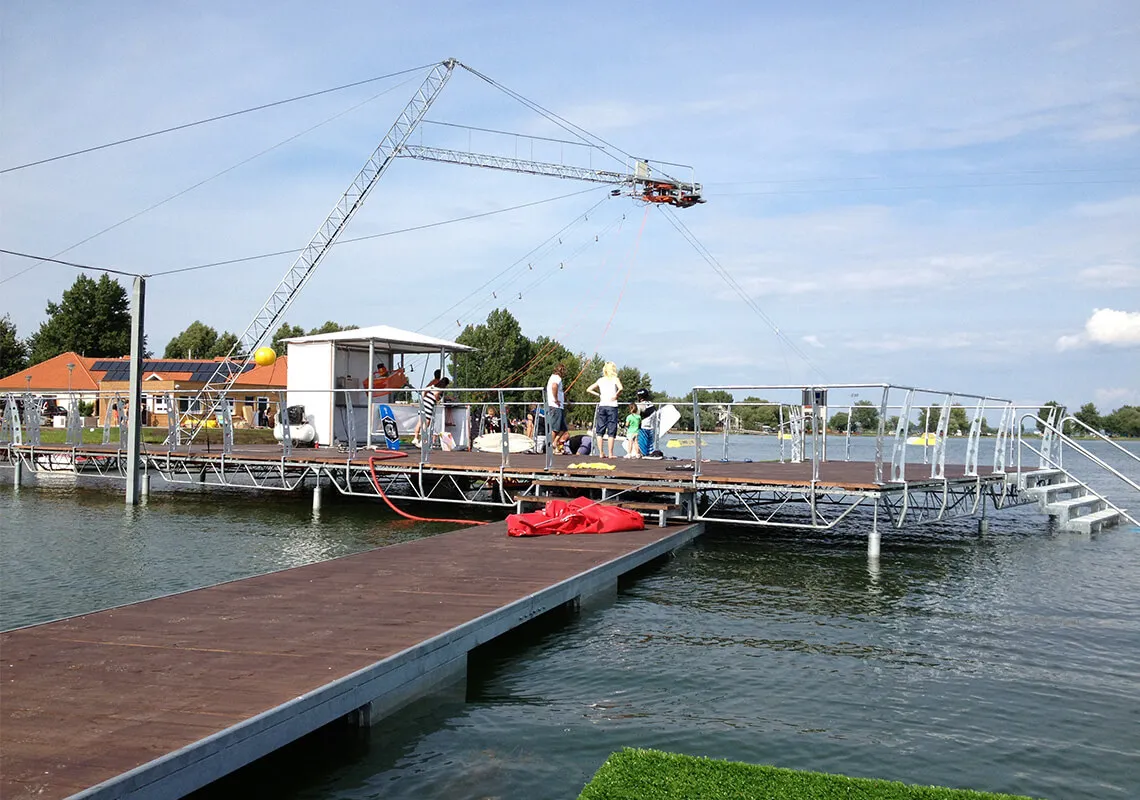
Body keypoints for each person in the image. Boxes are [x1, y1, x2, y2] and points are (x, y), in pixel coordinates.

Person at [586, 361, 623, 458]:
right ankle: (610, 453)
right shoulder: (615, 379)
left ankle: (601, 453)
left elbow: (589, 389)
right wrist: (616, 395)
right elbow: (621, 388)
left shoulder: (600, 380)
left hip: (602, 405)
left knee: (600, 430)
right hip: (612, 406)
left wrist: (599, 395)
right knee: (611, 430)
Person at [412, 376, 450, 447]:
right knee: (426, 423)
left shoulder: (433, 386)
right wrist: (437, 398)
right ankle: (422, 440)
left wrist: (423, 397)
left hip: (425, 403)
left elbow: (424, 390)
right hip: (429, 405)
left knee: (420, 422)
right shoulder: (440, 390)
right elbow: (436, 396)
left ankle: (415, 438)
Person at [546, 364, 569, 454]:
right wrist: (556, 399)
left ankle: (554, 443)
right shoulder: (557, 378)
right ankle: (551, 448)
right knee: (555, 428)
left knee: (563, 428)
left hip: (559, 406)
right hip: (555, 406)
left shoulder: (553, 377)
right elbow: (554, 386)